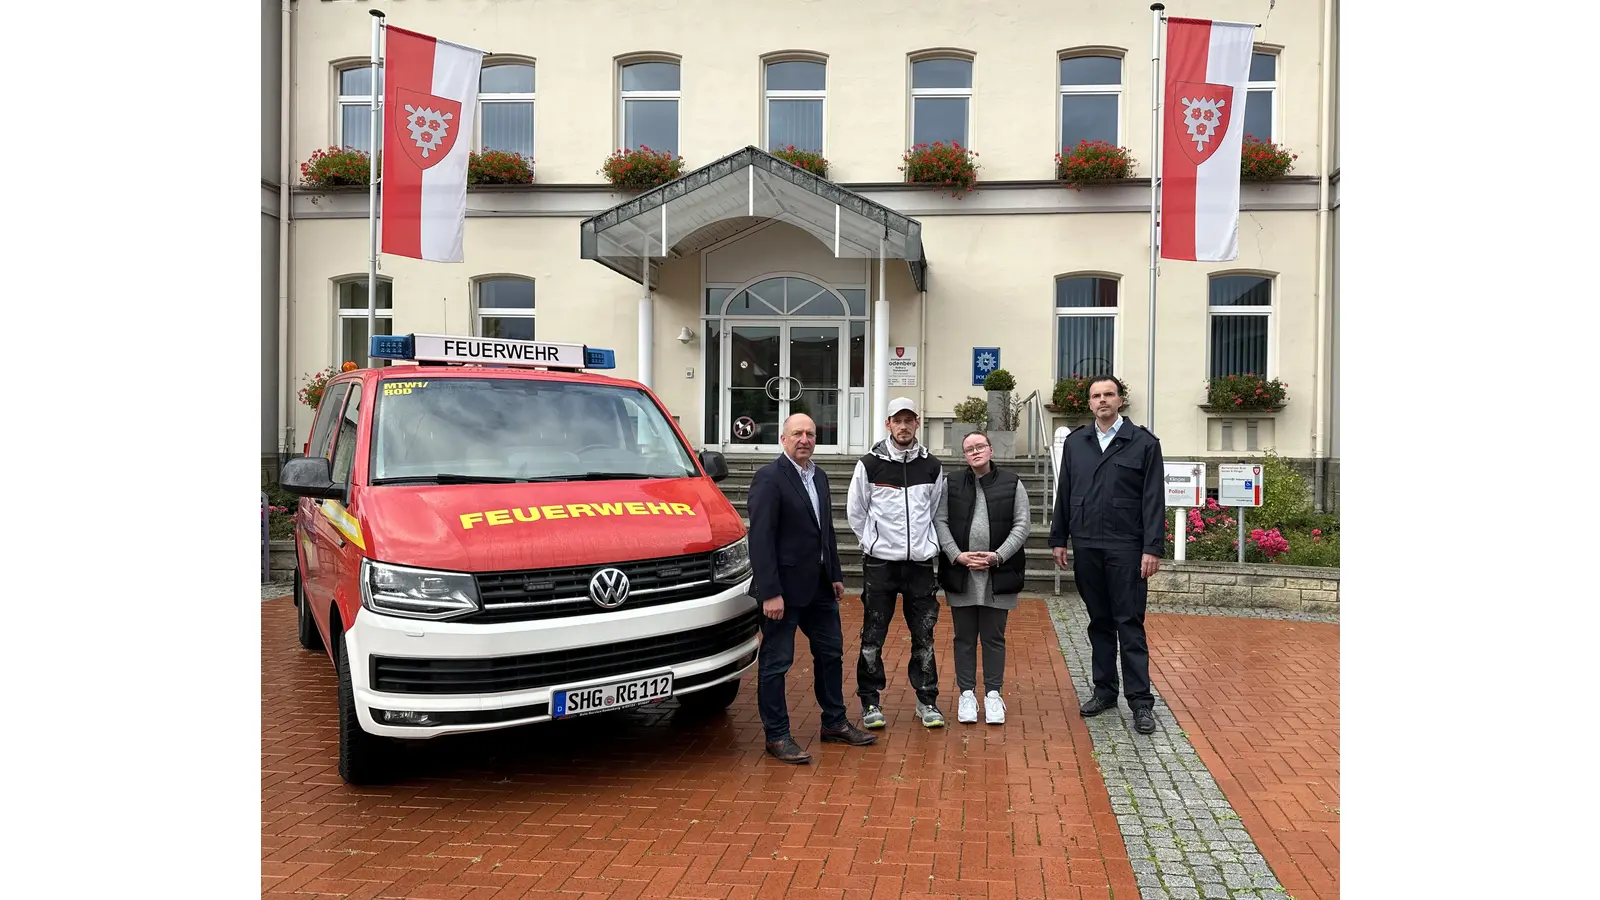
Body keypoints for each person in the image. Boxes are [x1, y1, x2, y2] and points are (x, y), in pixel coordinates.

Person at [747, 413, 878, 763]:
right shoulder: (769, 478)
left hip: (819, 587)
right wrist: (769, 591)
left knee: (831, 654)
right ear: (783, 438)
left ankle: (834, 723)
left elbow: (826, 532)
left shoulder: (818, 476)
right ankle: (777, 736)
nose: (804, 439)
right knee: (777, 664)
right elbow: (760, 540)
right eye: (797, 433)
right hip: (783, 592)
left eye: (810, 433)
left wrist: (835, 574)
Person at [1047, 376, 1165, 735]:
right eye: (1096, 396)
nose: (1102, 401)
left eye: (1108, 395)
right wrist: (1059, 538)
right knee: (1099, 622)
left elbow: (1153, 499)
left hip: (1127, 547)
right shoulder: (1077, 442)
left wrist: (1152, 548)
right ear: (1089, 403)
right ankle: (1104, 691)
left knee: (1128, 624)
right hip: (1087, 544)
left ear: (1120, 400)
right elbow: (1065, 490)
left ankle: (1141, 703)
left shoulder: (1142, 442)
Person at [846, 397, 948, 729]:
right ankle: (870, 702)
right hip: (880, 565)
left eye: (909, 420)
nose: (903, 426)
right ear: (888, 424)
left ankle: (926, 701)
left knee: (924, 635)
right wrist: (872, 542)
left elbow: (933, 510)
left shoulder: (931, 466)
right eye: (897, 420)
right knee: (873, 634)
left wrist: (924, 544)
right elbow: (856, 511)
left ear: (917, 423)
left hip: (919, 565)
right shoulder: (869, 465)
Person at [934, 430, 1030, 725]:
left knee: (993, 638)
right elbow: (940, 520)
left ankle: (992, 695)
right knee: (963, 638)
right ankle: (966, 694)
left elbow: (1022, 524)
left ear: (991, 450)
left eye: (979, 446)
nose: (975, 452)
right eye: (968, 449)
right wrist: (956, 555)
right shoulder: (951, 483)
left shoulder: (1012, 483)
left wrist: (998, 555)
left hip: (997, 574)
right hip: (961, 573)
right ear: (964, 455)